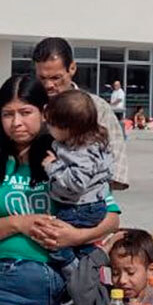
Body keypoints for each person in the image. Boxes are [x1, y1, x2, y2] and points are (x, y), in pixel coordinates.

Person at [0, 75, 120, 305]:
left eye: (26, 112)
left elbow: (111, 217)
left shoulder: (70, 155)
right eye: (7, 114)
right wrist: (19, 223)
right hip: (15, 286)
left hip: (74, 284)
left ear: (44, 113)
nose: (16, 123)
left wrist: (76, 237)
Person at [32, 37, 128, 190]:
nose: (48, 85)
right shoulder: (30, 106)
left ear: (72, 68)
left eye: (56, 78)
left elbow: (116, 162)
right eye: (42, 78)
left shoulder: (96, 107)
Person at [42, 90, 114, 267]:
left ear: (68, 128)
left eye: (52, 124)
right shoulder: (95, 142)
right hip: (93, 204)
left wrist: (52, 166)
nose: (48, 127)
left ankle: (77, 275)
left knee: (56, 244)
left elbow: (76, 183)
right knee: (84, 248)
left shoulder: (81, 152)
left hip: (79, 207)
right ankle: (90, 271)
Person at [107, 228, 153, 305]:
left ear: (150, 270)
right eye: (115, 273)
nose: (122, 280)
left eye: (130, 273)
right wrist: (105, 249)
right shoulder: (107, 301)